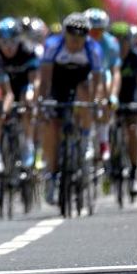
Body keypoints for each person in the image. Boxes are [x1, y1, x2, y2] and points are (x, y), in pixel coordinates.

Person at [39, 13, 102, 205]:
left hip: (81, 82)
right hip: (58, 83)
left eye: (81, 37)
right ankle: (51, 173)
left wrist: (97, 101)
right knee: (51, 125)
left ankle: (84, 137)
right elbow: (45, 79)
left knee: (86, 93)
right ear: (64, 34)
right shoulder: (52, 46)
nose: (75, 41)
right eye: (72, 36)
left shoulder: (93, 49)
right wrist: (44, 100)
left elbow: (97, 82)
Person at [109, 21, 137, 195]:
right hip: (114, 95)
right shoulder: (109, 56)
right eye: (116, 41)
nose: (120, 45)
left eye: (123, 41)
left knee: (132, 130)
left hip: (132, 94)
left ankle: (134, 173)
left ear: (129, 41)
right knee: (109, 130)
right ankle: (110, 166)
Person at [0, 17, 41, 168]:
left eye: (12, 42)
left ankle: (27, 143)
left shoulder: (28, 51)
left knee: (28, 99)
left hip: (23, 87)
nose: (8, 47)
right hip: (4, 88)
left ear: (19, 39)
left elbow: (35, 80)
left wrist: (33, 99)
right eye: (4, 43)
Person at [85, 8, 120, 163]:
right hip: (85, 73)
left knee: (103, 90)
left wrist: (113, 95)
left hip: (103, 75)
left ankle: (103, 140)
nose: (95, 35)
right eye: (92, 31)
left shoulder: (111, 44)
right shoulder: (81, 41)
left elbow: (115, 72)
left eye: (99, 31)